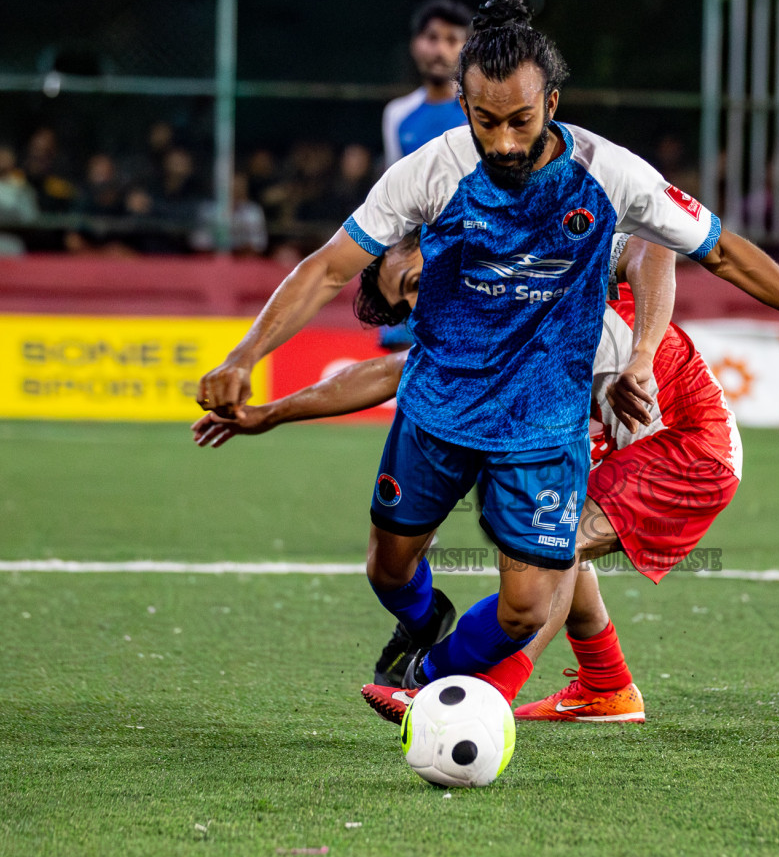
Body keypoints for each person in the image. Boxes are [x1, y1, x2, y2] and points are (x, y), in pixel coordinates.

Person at [195, 0, 779, 721]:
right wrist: (250, 364)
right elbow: (334, 278)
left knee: (533, 591)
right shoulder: (430, 182)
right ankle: (579, 678)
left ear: (551, 99)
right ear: (463, 106)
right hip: (444, 419)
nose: (506, 142)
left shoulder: (604, 174)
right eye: (486, 123)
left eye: (521, 120)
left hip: (574, 432)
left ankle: (446, 687)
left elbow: (707, 248)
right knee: (391, 568)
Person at [194, 233, 739, 723]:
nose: (417, 305)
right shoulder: (471, 325)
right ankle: (607, 685)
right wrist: (269, 414)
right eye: (407, 304)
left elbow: (653, 243)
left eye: (412, 284)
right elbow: (390, 371)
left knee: (555, 550)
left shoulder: (533, 247)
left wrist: (641, 353)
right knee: (551, 542)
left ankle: (470, 690)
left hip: (688, 443)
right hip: (630, 442)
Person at [381, 0, 472, 169]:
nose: (440, 51)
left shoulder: (481, 109)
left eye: (452, 40)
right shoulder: (397, 114)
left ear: (467, 49)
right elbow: (395, 186)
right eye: (432, 38)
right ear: (415, 45)